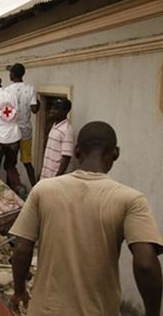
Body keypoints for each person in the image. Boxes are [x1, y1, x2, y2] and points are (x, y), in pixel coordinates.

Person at [10, 121, 162, 316]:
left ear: (76, 151)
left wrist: (19, 291)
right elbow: (146, 263)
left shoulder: (44, 190)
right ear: (115, 153)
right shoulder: (129, 199)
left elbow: (22, 248)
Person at [0, 73, 23, 193]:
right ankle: (17, 188)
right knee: (10, 167)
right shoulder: (12, 95)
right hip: (15, 137)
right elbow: (16, 114)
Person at [5, 63, 39, 186]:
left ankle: (11, 188)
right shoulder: (30, 89)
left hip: (12, 134)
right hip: (26, 133)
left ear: (13, 74)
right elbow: (34, 109)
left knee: (10, 164)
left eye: (10, 73)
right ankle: (35, 187)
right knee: (27, 162)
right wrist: (37, 101)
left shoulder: (7, 90)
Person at [40, 98, 74, 179]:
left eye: (56, 109)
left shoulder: (66, 130)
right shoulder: (55, 125)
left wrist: (57, 178)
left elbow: (66, 157)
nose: (52, 111)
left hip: (55, 177)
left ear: (65, 112)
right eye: (52, 108)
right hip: (47, 174)